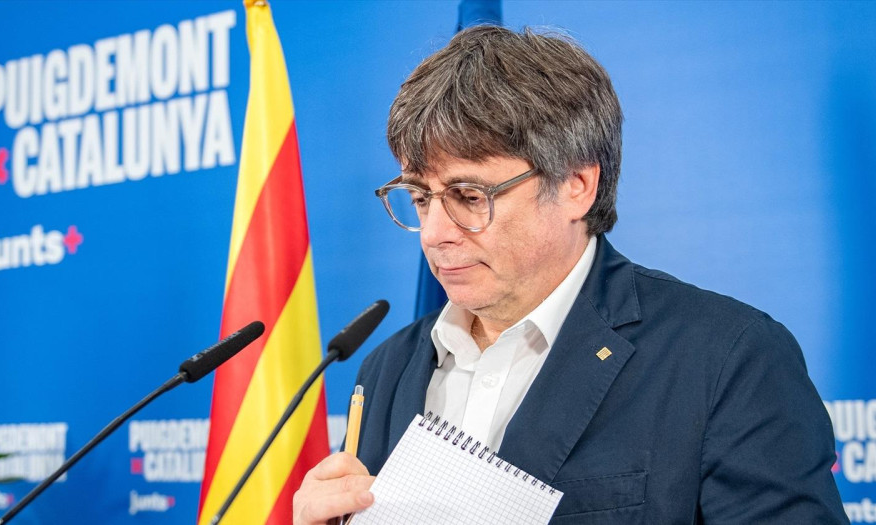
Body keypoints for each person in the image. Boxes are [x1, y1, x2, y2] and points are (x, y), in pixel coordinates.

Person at [293, 25, 846, 524]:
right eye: (419, 198)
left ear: (576, 185)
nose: (436, 233)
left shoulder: (726, 357)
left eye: (467, 195)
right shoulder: (387, 367)